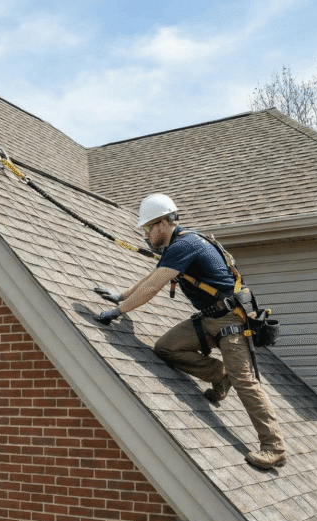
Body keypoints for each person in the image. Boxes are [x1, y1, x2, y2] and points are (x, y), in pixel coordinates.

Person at [93, 194, 286, 469]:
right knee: (166, 348)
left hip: (231, 322)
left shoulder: (185, 244)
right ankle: (219, 375)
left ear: (163, 223)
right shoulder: (178, 245)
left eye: (148, 227)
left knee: (245, 381)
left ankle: (274, 448)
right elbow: (155, 276)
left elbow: (153, 287)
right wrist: (122, 295)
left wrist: (119, 310)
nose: (146, 234)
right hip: (208, 319)